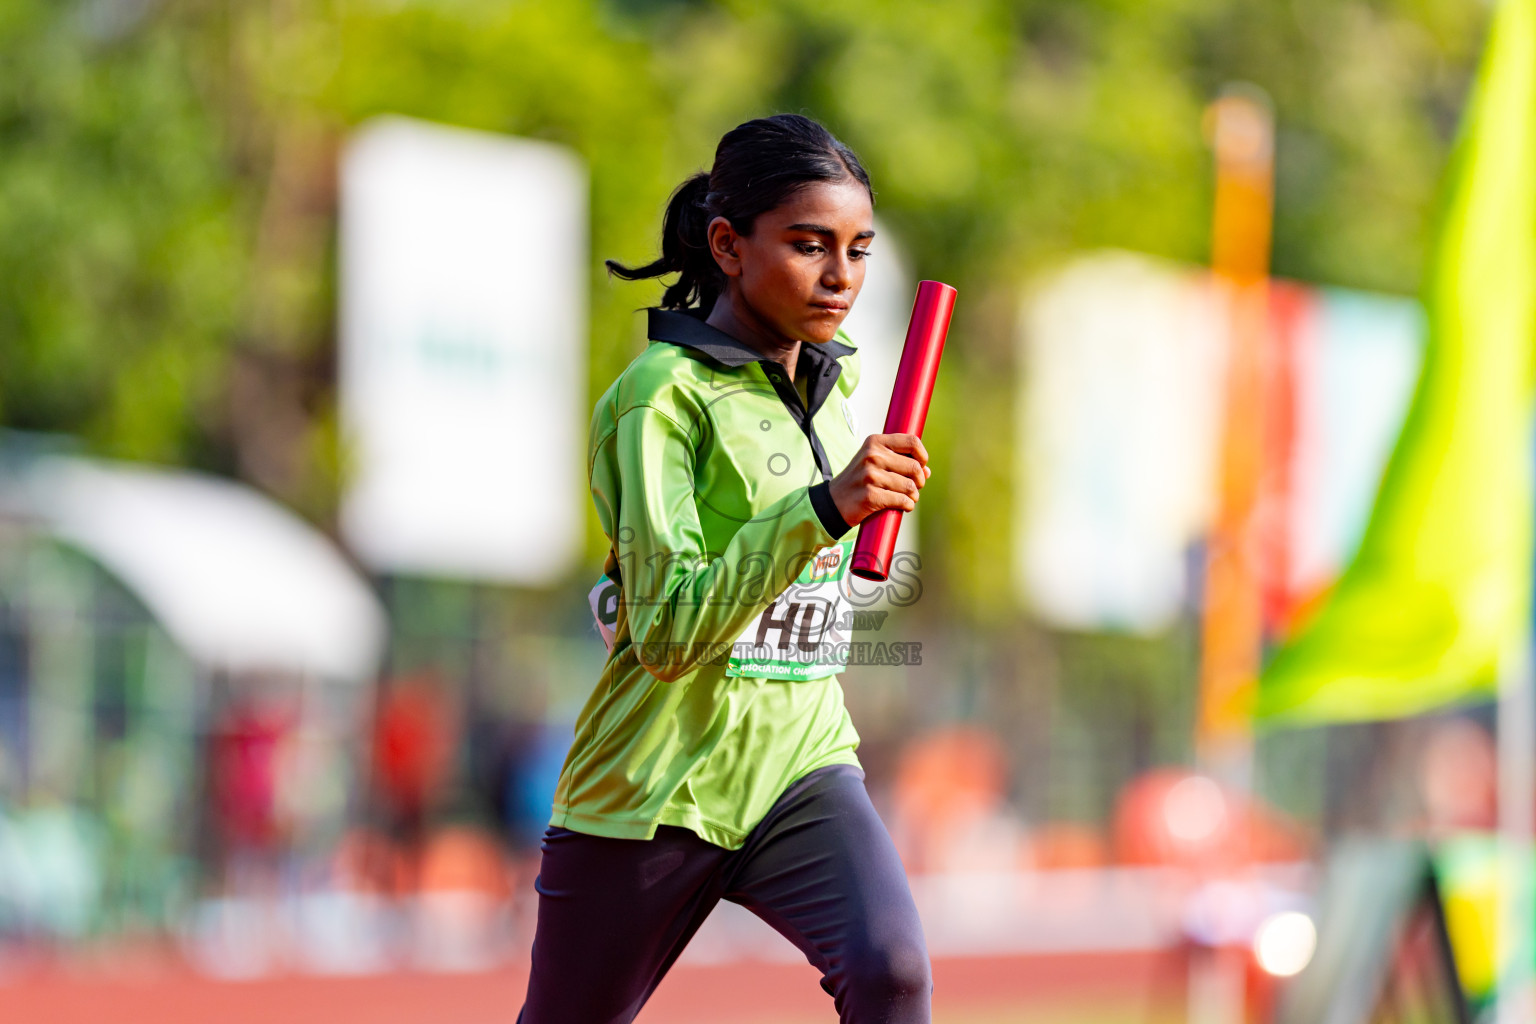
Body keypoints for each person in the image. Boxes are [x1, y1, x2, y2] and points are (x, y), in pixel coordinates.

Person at [516, 114, 934, 1024]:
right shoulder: (657, 398)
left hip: (800, 761)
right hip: (655, 787)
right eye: (809, 245)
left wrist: (852, 515)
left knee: (892, 968)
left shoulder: (839, 393)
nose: (841, 277)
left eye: (859, 250)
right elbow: (666, 634)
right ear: (727, 244)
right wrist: (823, 510)